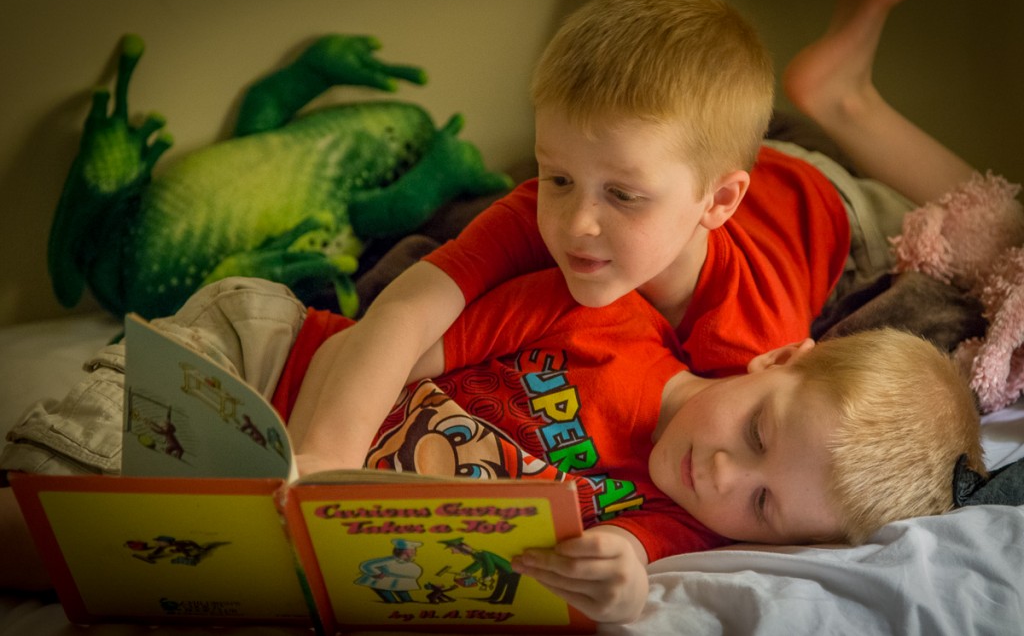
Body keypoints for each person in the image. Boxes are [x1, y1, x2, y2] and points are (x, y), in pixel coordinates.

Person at [288, 0, 972, 481]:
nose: (577, 222)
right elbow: (407, 308)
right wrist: (325, 454)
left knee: (1003, 228)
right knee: (643, 68)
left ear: (718, 203)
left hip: (827, 205)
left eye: (621, 197)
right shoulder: (548, 204)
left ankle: (845, 99)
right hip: (693, 163)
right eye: (556, 177)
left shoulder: (750, 335)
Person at [0, 272, 983, 625]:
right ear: (774, 355)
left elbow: (630, 570)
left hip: (272, 503)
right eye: (757, 430)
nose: (724, 473)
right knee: (51, 503)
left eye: (765, 505)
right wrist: (315, 452)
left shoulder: (681, 516)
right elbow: (390, 349)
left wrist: (620, 584)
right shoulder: (608, 322)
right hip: (264, 359)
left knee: (121, 561)